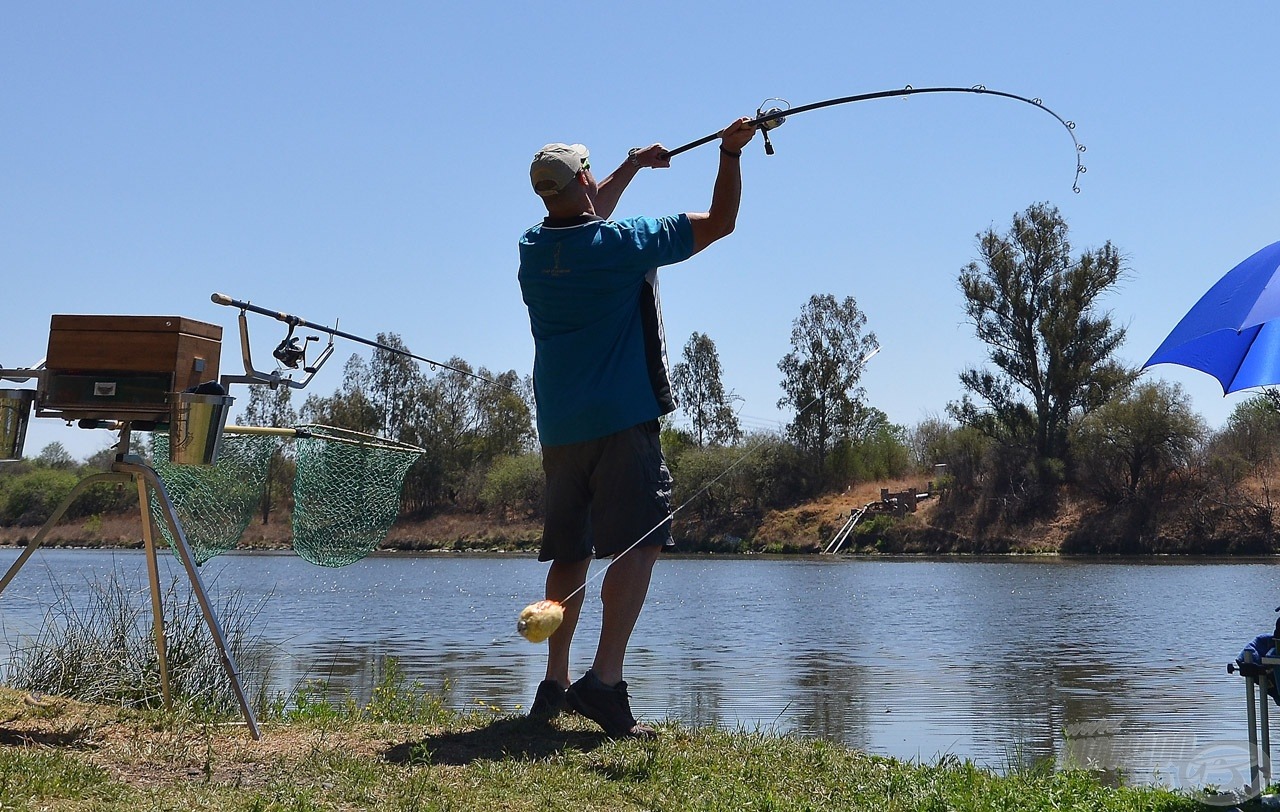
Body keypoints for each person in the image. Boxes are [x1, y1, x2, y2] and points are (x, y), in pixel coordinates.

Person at [518, 118, 757, 738]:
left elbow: (584, 218)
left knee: (570, 555)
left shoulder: (533, 252)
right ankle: (605, 682)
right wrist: (730, 153)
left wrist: (630, 166)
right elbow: (720, 221)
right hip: (623, 422)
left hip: (559, 430)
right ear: (585, 179)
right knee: (639, 545)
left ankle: (555, 684)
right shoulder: (624, 244)